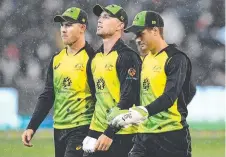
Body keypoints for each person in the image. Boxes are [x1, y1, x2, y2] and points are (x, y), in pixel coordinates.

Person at [109, 11, 196, 157]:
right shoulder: (143, 60)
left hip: (171, 137)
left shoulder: (175, 59)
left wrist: (147, 111)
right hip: (143, 136)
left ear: (155, 31)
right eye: (135, 35)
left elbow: (171, 95)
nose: (137, 39)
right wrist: (121, 110)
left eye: (140, 33)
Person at [21, 7, 96, 157]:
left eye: (68, 25)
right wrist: (32, 127)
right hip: (59, 129)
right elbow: (48, 95)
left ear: (82, 28)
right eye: (62, 25)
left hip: (82, 128)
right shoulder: (56, 59)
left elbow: (100, 98)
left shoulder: (92, 59)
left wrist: (96, 132)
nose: (63, 30)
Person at [82, 4, 141, 157]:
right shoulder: (95, 58)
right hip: (97, 131)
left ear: (120, 25)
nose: (100, 20)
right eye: (100, 16)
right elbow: (96, 98)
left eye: (106, 17)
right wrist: (90, 132)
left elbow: (129, 97)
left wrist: (109, 132)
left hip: (122, 133)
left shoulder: (127, 56)